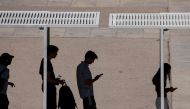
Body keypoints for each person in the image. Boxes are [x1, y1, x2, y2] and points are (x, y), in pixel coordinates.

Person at [39, 45, 65, 109]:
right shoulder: (46, 62)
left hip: (48, 88)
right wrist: (58, 81)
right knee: (51, 106)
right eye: (56, 52)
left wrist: (55, 80)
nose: (56, 54)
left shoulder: (45, 61)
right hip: (49, 89)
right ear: (51, 52)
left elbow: (42, 74)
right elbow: (47, 79)